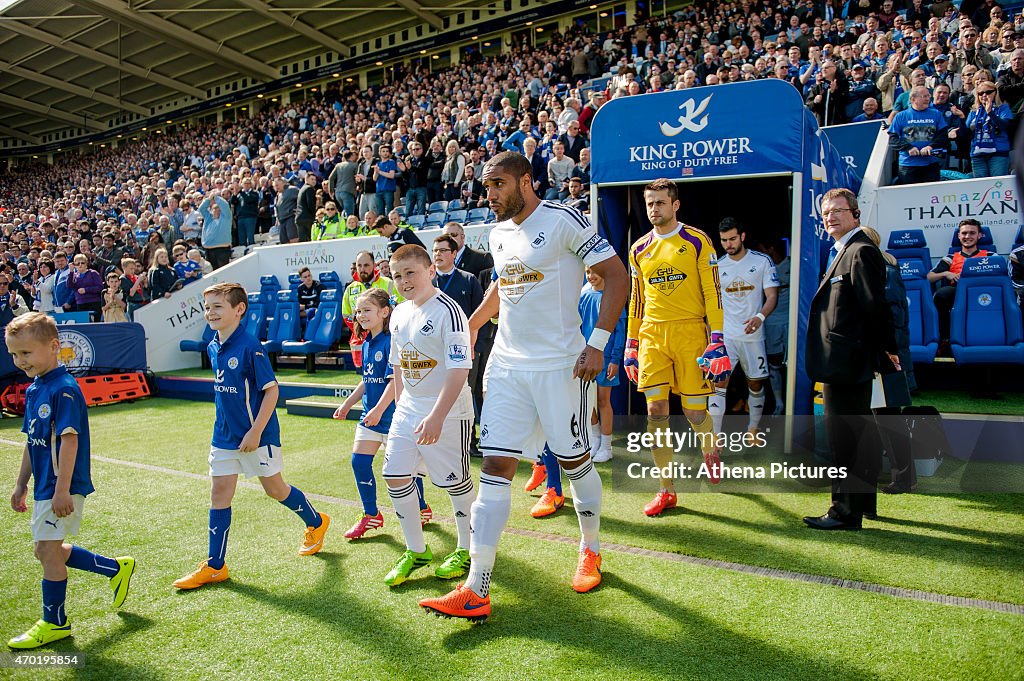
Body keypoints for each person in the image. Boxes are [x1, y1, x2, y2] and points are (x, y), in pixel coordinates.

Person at [419, 151, 628, 620]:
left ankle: (590, 547)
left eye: (497, 184)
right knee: (494, 466)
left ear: (526, 182)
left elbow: (617, 276)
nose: (488, 194)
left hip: (560, 366)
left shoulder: (563, 220)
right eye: (485, 186)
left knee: (575, 463)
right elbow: (502, 284)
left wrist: (597, 344)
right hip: (508, 366)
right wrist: (473, 326)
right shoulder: (496, 233)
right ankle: (477, 586)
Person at [173, 283, 330, 590]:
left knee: (275, 490)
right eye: (207, 307)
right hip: (224, 437)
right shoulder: (213, 345)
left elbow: (272, 391)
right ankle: (215, 566)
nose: (211, 313)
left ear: (239, 309)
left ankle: (316, 522)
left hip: (257, 435)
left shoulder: (250, 346)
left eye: (218, 306)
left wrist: (256, 431)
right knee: (219, 494)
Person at [6, 313, 136, 649]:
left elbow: (69, 440)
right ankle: (115, 569)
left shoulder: (64, 389)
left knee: (47, 551)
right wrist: (21, 483)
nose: (20, 361)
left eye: (27, 353)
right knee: (45, 549)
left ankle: (55, 623)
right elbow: (32, 441)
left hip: (61, 485)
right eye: (14, 355)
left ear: (53, 347)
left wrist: (62, 488)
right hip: (44, 486)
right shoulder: (36, 388)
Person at [624, 179, 730, 517]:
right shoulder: (638, 249)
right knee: (656, 413)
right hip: (653, 336)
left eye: (660, 203)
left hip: (690, 333)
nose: (654, 209)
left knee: (695, 412)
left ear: (675, 205)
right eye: (649, 203)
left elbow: (713, 292)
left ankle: (710, 450)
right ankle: (666, 489)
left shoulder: (698, 241)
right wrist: (631, 343)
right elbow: (637, 299)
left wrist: (717, 337)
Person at [379, 244, 477, 587]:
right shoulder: (398, 314)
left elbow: (459, 368)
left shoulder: (449, 312)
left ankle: (466, 549)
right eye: (397, 276)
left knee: (456, 484)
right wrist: (398, 409)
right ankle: (416, 550)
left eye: (411, 273)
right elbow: (399, 366)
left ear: (430, 271)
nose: (404, 281)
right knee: (394, 476)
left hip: (448, 412)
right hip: (408, 410)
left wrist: (436, 416)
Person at [804, 189, 900, 531]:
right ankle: (860, 505)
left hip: (848, 361)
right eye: (826, 212)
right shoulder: (843, 250)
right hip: (841, 360)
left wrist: (886, 350)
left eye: (838, 211)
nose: (830, 217)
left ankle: (844, 512)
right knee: (855, 436)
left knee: (845, 438)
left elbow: (874, 307)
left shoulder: (860, 251)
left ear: (855, 215)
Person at [861, 227, 917, 495]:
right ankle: (899, 474)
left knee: (888, 417)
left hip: (886, 358)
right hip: (880, 356)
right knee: (882, 416)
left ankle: (904, 477)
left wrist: (886, 352)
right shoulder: (881, 267)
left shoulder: (884, 269)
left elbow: (891, 318)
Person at [710, 218, 779, 437]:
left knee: (755, 384)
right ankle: (716, 436)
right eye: (724, 240)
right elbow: (712, 303)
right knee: (718, 384)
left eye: (732, 239)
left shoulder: (762, 261)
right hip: (727, 336)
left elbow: (772, 296)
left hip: (753, 336)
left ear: (742, 236)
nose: (728, 244)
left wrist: (760, 317)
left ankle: (753, 428)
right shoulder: (718, 265)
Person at [579, 266, 626, 464]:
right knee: (587, 401)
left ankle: (606, 446)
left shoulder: (612, 296)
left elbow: (621, 330)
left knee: (602, 401)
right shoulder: (583, 295)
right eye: (588, 272)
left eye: (595, 272)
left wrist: (615, 359)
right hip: (584, 356)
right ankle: (594, 440)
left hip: (606, 358)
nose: (591, 276)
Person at [928, 218, 991, 346]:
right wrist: (946, 274)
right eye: (964, 233)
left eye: (972, 233)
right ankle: (945, 339)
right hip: (957, 291)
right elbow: (929, 277)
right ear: (958, 236)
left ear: (979, 235)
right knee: (941, 295)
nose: (967, 236)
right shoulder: (950, 258)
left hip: (983, 291)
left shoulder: (990, 256)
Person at [755, 237, 791, 415]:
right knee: (774, 364)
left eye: (763, 249)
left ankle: (795, 401)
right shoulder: (762, 267)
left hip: (791, 322)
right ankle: (779, 403)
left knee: (793, 364)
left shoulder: (794, 265)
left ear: (770, 248)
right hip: (771, 323)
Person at [888, 86, 949, 184]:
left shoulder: (936, 114)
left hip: (931, 164)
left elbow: (943, 136)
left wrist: (931, 146)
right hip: (908, 165)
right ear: (913, 99)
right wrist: (908, 148)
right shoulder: (901, 116)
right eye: (924, 96)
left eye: (928, 96)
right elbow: (893, 139)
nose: (927, 99)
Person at [964, 82, 1014, 177]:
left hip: (998, 152)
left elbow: (1004, 125)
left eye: (988, 92)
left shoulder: (1003, 108)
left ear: (995, 92)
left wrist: (990, 113)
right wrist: (961, 118)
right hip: (977, 153)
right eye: (980, 93)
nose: (984, 95)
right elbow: (967, 131)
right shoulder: (974, 111)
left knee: (997, 184)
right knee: (981, 186)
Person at [342, 250, 401, 323]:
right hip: (359, 334)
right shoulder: (350, 289)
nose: (362, 269)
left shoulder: (389, 283)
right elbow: (346, 315)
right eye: (359, 265)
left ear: (374, 265)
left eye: (366, 265)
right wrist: (360, 330)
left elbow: (402, 308)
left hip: (386, 333)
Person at [199, 192, 233, 268]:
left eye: (219, 209)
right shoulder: (208, 218)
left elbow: (225, 206)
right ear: (211, 210)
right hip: (208, 248)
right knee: (212, 272)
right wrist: (209, 199)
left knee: (223, 271)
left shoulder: (226, 217)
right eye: (215, 209)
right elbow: (201, 209)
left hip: (222, 248)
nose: (217, 211)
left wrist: (216, 198)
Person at [68, 254, 103, 321]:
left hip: (94, 303)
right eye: (77, 263)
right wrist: (71, 272)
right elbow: (69, 285)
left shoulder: (93, 273)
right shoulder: (74, 275)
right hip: (80, 303)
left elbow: (100, 287)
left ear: (86, 264)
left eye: (82, 263)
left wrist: (86, 290)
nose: (80, 265)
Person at [295, 173, 318, 243]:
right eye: (312, 179)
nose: (314, 181)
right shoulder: (309, 189)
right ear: (306, 179)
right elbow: (310, 204)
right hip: (307, 218)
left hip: (299, 218)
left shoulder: (302, 189)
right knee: (308, 241)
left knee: (303, 242)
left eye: (315, 180)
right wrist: (314, 214)